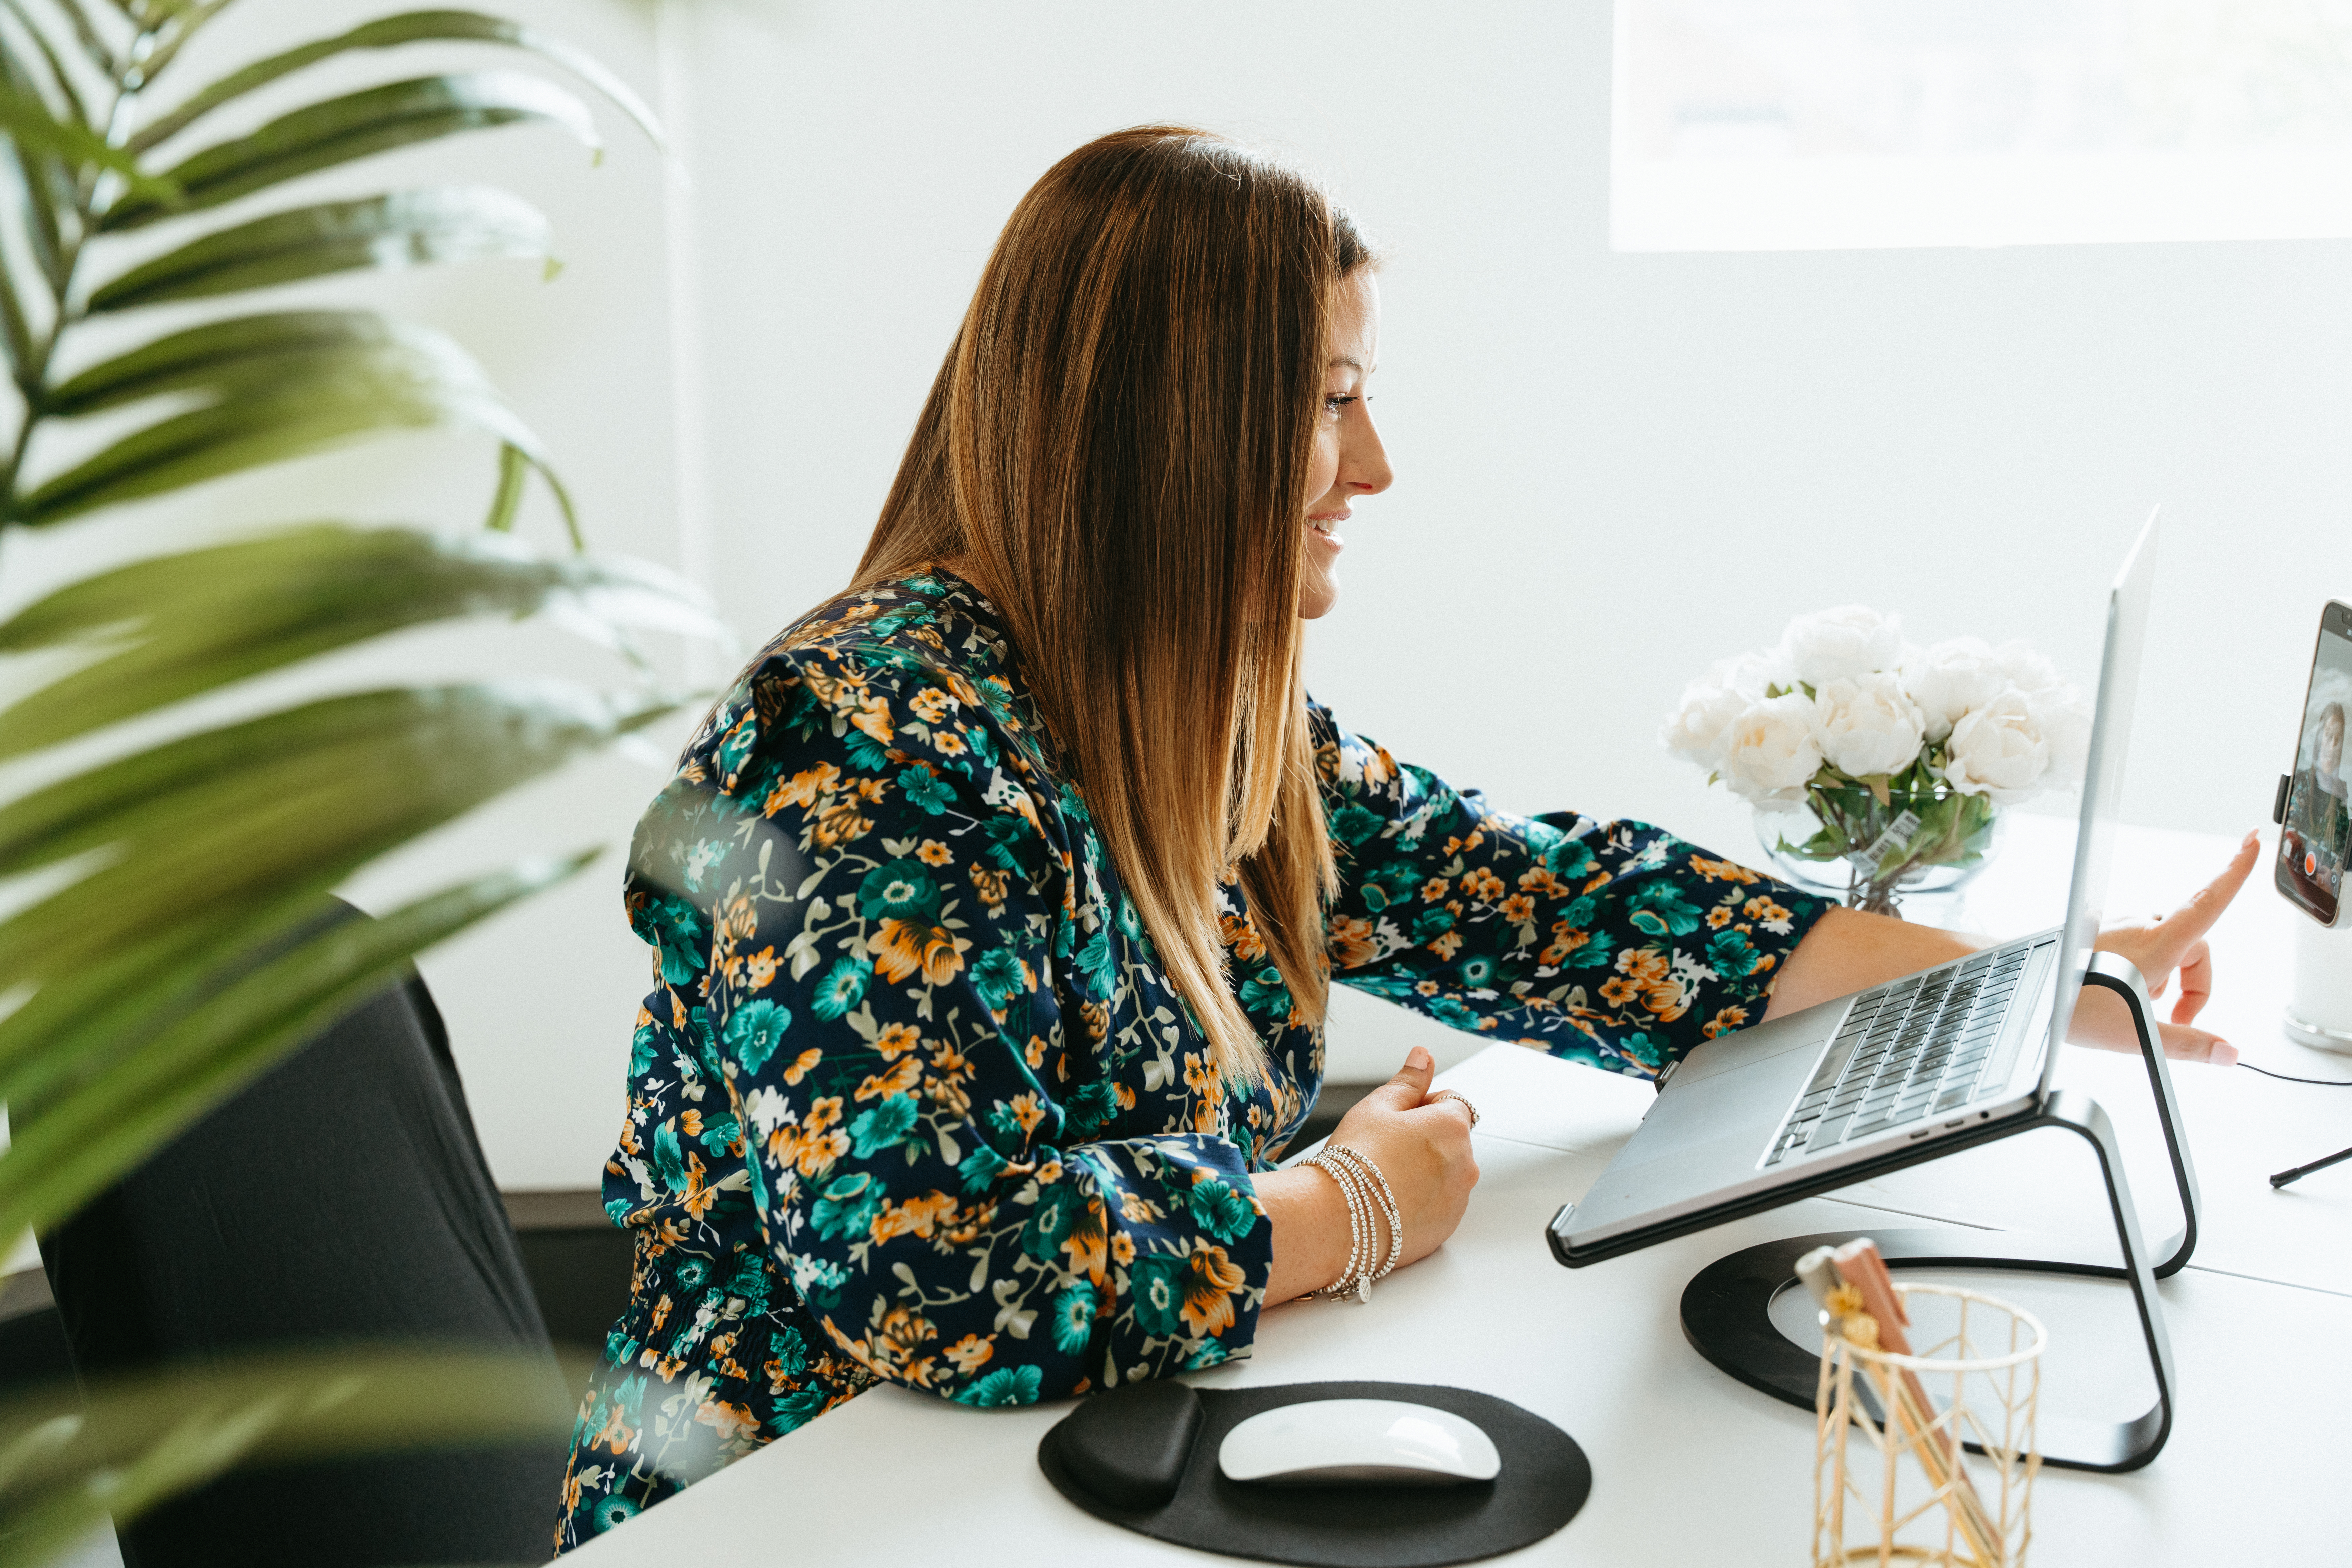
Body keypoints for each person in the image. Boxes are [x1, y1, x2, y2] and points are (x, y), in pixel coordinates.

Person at [554, 127, 2255, 1544]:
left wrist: (2052, 996)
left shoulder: (1200, 718)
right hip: (797, 1504)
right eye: (1328, 400)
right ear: (1176, 428)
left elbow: (1573, 909)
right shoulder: (856, 740)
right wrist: (1338, 1208)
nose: (1373, 465)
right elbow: (933, 1273)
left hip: (1060, 1472)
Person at [2285, 700, 2348, 897]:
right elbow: (2290, 830)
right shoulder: (2303, 782)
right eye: (2329, 736)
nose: (2332, 746)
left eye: (2339, 739)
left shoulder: (2342, 797)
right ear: (2320, 739)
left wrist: (2334, 874)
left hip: (2324, 893)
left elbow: (2343, 852)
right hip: (2294, 881)